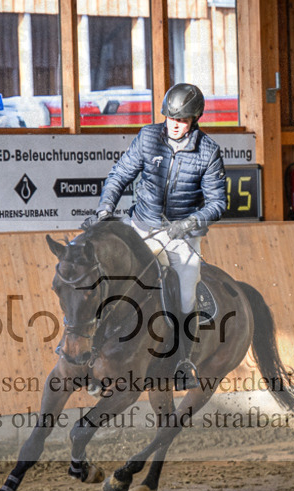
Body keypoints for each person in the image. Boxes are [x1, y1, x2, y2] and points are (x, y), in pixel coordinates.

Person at [85, 83, 226, 390]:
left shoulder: (208, 152)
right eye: (171, 118)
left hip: (181, 235)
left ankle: (182, 362)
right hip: (141, 226)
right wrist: (106, 208)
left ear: (194, 119)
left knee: (186, 290)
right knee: (107, 277)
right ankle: (91, 356)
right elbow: (120, 175)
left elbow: (218, 203)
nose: (175, 124)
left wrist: (187, 224)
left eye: (183, 119)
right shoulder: (148, 137)